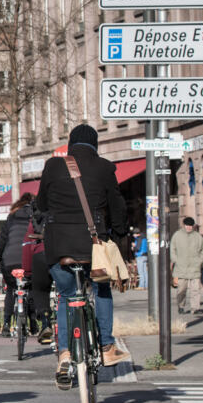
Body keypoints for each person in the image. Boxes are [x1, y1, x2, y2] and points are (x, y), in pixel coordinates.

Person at [33, 124, 132, 387]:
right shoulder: (104, 168)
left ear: (70, 144)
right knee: (101, 288)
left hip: (59, 246)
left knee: (66, 296)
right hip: (93, 244)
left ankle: (65, 354)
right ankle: (107, 346)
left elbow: (41, 203)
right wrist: (119, 232)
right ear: (95, 145)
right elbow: (117, 205)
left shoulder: (53, 166)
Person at [0, 195, 36, 334]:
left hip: (10, 260)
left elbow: (2, 239)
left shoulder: (12, 217)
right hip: (29, 258)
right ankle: (33, 322)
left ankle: (6, 324)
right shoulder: (36, 216)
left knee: (11, 289)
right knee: (32, 287)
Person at [171, 217, 203, 316]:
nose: (189, 227)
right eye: (187, 225)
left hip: (194, 267)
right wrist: (176, 260)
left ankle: (195, 308)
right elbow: (172, 249)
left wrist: (200, 260)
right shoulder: (177, 235)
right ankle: (181, 306)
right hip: (181, 267)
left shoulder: (198, 237)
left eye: (190, 226)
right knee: (181, 290)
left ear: (193, 226)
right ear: (184, 225)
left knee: (195, 290)